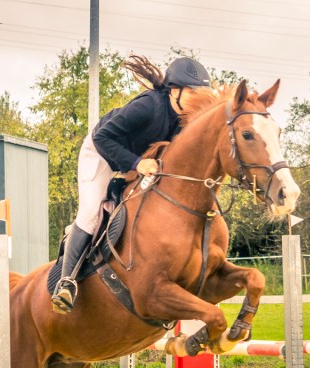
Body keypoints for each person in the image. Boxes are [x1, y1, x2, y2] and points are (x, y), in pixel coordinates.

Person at [51, 55, 212, 314]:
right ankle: (66, 281)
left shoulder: (184, 119)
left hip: (135, 159)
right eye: (192, 92)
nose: (197, 99)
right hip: (101, 153)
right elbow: (103, 137)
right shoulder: (149, 106)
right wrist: (136, 164)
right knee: (92, 211)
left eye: (200, 93)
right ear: (174, 91)